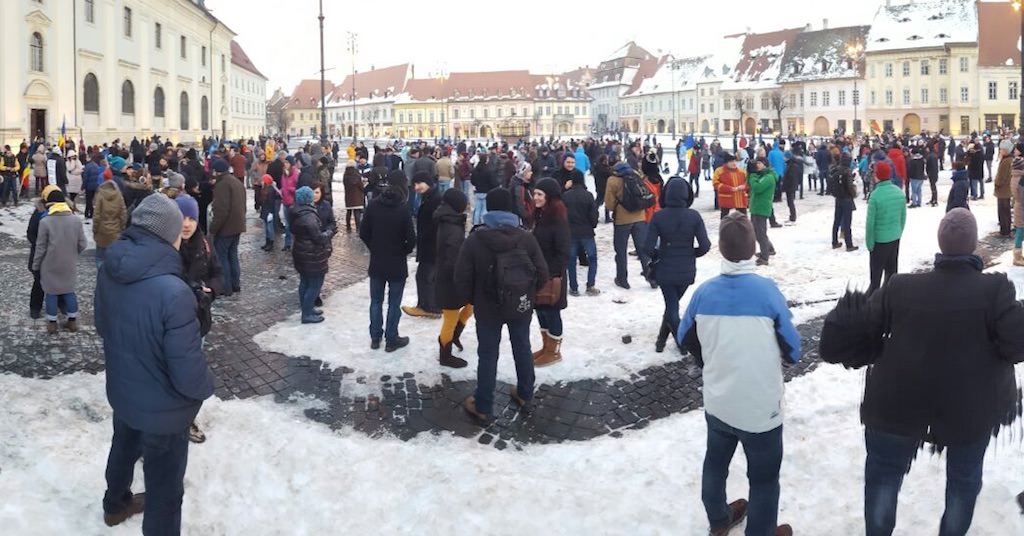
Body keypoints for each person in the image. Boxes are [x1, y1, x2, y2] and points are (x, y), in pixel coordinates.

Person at [819, 208, 1024, 536]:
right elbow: (1017, 343)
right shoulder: (994, 291)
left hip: (895, 406)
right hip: (970, 413)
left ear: (941, 246)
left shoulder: (900, 287)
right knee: (964, 482)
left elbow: (863, 332)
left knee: (884, 477)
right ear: (972, 247)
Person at [95, 193, 215, 534]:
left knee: (123, 447)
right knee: (165, 492)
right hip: (164, 411)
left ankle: (115, 505)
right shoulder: (173, 292)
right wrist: (207, 385)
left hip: (124, 390)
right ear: (169, 234)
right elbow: (189, 372)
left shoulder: (109, 269)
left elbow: (104, 327)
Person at [677, 211, 800, 536]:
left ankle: (719, 520)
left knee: (715, 463)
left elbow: (684, 336)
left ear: (720, 248)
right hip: (761, 409)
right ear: (753, 247)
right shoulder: (767, 292)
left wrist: (712, 362)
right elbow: (794, 350)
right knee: (763, 478)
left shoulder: (703, 294)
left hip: (719, 402)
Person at [455, 188, 549, 423]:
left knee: (487, 354)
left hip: (488, 307)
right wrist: (527, 293)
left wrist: (475, 299)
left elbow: (462, 277)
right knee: (522, 347)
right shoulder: (526, 237)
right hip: (520, 304)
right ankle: (526, 394)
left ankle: (483, 405)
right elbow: (542, 273)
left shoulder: (476, 239)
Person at [643, 178, 710, 352]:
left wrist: (659, 255)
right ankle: (661, 341)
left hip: (665, 268)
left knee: (671, 308)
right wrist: (691, 253)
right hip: (686, 270)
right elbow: (705, 246)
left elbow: (647, 247)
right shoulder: (694, 216)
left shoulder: (659, 216)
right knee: (671, 306)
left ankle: (683, 342)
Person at [175, 194, 222, 444]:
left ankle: (188, 418)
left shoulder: (204, 244)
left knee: (191, 375)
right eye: (182, 217)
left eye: (192, 218)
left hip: (198, 321)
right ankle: (167, 423)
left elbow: (217, 273)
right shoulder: (166, 245)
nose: (187, 223)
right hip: (171, 324)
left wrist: (211, 291)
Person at [360, 172, 416, 351]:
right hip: (397, 263)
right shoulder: (402, 208)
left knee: (376, 301)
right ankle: (391, 338)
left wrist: (374, 247)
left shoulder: (374, 205)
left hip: (377, 261)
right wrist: (403, 250)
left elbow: (363, 232)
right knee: (393, 302)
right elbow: (411, 239)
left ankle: (375, 337)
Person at [32, 188, 87, 334]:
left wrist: (36, 265)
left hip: (49, 264)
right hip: (69, 263)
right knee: (69, 291)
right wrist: (72, 254)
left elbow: (40, 248)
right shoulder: (76, 220)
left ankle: (52, 324)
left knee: (51, 293)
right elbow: (83, 244)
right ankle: (72, 321)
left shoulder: (45, 221)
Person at [530, 178, 571, 368]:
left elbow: (563, 252)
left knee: (552, 312)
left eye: (539, 194)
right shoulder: (540, 215)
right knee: (541, 311)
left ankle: (554, 352)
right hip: (539, 273)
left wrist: (550, 274)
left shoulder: (558, 219)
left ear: (549, 197)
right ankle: (546, 347)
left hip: (552, 276)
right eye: (535, 193)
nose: (535, 197)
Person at [434, 188, 472, 369]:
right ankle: (445, 354)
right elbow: (453, 258)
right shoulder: (452, 227)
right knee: (450, 317)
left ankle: (454, 335)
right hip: (450, 279)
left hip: (449, 277)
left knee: (471, 305)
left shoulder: (450, 221)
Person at [290, 186, 334, 324]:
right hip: (311, 254)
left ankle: (306, 309)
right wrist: (329, 233)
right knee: (314, 284)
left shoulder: (296, 211)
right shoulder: (308, 216)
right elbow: (318, 237)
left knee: (305, 281)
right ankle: (307, 313)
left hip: (301, 252)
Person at [605, 162, 651, 289]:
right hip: (640, 217)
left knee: (620, 251)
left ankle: (622, 279)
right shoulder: (636, 175)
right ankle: (651, 277)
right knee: (642, 249)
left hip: (622, 220)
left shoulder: (612, 180)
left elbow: (609, 204)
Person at [403, 173, 442, 319]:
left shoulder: (435, 200)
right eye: (415, 184)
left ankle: (429, 307)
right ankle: (429, 305)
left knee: (425, 276)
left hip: (431, 247)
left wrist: (426, 238)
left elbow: (435, 225)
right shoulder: (430, 197)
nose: (416, 187)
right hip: (429, 245)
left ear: (428, 183)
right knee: (426, 276)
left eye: (420, 183)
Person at [866, 162, 906, 293]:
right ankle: (891, 299)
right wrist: (898, 232)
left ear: (877, 176)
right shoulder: (899, 192)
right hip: (894, 237)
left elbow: (870, 224)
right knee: (892, 272)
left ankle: (873, 301)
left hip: (879, 241)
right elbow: (903, 217)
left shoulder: (875, 196)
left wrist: (869, 243)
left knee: (876, 275)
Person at [209, 155, 246, 297]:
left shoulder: (222, 185)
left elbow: (221, 210)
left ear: (217, 171)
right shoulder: (236, 182)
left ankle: (226, 287)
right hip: (237, 225)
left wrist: (213, 229)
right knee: (232, 255)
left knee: (222, 258)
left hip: (226, 228)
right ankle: (235, 284)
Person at [564, 169, 599, 296]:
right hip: (587, 232)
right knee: (592, 258)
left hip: (571, 232)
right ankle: (590, 285)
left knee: (571, 261)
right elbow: (594, 215)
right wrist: (593, 225)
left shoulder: (566, 196)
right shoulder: (588, 195)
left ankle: (573, 287)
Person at [748, 158, 778, 265]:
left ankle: (765, 257)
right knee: (757, 232)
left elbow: (757, 188)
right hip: (756, 207)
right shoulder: (761, 176)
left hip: (762, 208)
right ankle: (769, 249)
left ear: (765, 164)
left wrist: (752, 176)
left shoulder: (768, 177)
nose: (757, 165)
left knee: (760, 233)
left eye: (759, 163)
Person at [830, 154, 859, 252]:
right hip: (847, 199)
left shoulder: (836, 171)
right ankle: (849, 244)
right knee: (847, 222)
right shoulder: (848, 171)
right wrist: (853, 194)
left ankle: (834, 241)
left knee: (836, 221)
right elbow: (850, 186)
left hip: (838, 198)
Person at [712, 154, 749, 219]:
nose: (734, 163)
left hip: (740, 198)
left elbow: (748, 182)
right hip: (726, 199)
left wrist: (744, 186)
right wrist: (730, 189)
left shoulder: (742, 172)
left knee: (743, 218)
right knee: (724, 217)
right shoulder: (719, 171)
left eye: (735, 161)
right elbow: (716, 184)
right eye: (731, 161)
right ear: (726, 163)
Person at [993, 140, 1014, 237]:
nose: (1000, 151)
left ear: (1006, 150)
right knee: (1004, 211)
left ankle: (1005, 230)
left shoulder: (1006, 161)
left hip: (1003, 190)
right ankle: (1005, 229)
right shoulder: (1007, 160)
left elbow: (1002, 177)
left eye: (1002, 149)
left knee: (1003, 211)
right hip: (1004, 190)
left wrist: (997, 183)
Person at [470, 154, 496, 225]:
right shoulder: (488, 170)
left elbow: (472, 180)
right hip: (486, 191)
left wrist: (476, 184)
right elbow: (492, 182)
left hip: (478, 191)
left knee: (477, 209)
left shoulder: (475, 169)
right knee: (484, 209)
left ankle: (476, 224)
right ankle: (483, 223)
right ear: (486, 160)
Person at [342, 160, 364, 232]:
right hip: (357, 195)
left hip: (348, 195)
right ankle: (358, 227)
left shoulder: (345, 175)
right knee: (356, 211)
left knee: (349, 211)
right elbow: (360, 185)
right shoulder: (357, 174)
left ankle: (348, 227)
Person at [1011, 143, 1024, 266]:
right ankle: (1017, 257)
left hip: (1019, 206)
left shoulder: (1016, 175)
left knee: (1020, 231)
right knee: (1020, 232)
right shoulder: (1021, 178)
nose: (1014, 151)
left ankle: (1018, 255)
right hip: (1022, 207)